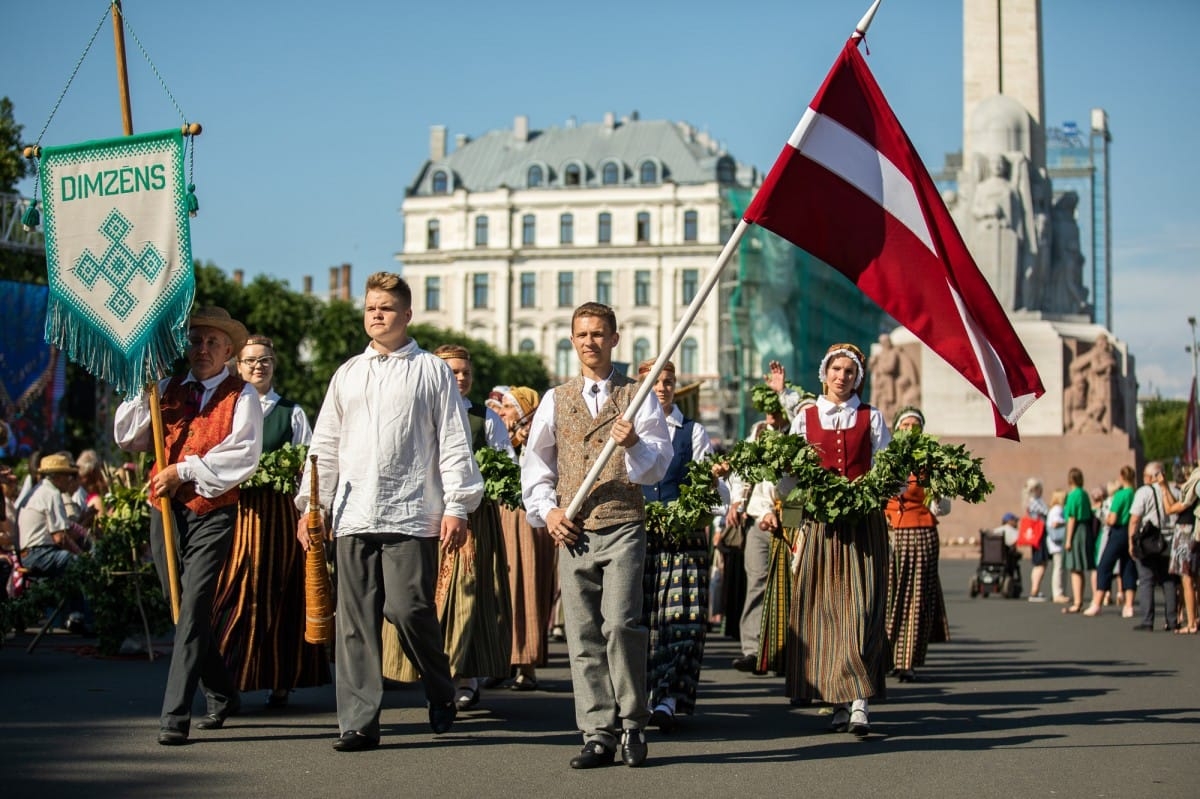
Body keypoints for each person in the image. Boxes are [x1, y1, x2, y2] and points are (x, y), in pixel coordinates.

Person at [295, 272, 483, 752]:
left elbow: (454, 441)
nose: (375, 314)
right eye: (370, 307)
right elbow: (326, 446)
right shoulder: (348, 373)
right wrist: (312, 506)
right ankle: (359, 722)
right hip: (353, 511)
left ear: (407, 315)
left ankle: (439, 687)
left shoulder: (431, 371)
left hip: (411, 509)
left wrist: (458, 505)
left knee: (408, 608)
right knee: (354, 620)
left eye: (385, 307)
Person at [521, 302, 671, 769]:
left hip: (623, 522)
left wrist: (632, 444)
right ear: (573, 341)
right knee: (583, 633)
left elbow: (658, 464)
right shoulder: (555, 398)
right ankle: (597, 732)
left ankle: (631, 722)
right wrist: (548, 512)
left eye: (599, 334)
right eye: (582, 334)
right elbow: (537, 464)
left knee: (621, 623)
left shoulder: (637, 394)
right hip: (574, 530)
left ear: (614, 339)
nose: (590, 342)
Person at [114, 306, 264, 746]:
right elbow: (129, 437)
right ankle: (221, 690)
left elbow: (243, 456)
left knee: (195, 604)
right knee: (178, 605)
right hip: (164, 511)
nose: (202, 349)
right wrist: (143, 391)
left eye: (212, 342)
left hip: (213, 510)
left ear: (228, 351)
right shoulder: (165, 388)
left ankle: (174, 715)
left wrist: (184, 470)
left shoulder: (243, 395)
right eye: (196, 341)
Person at [382, 344, 513, 711]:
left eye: (464, 372)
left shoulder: (485, 419)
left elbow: (506, 464)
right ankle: (429, 671)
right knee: (420, 597)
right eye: (452, 371)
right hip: (422, 516)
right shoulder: (417, 409)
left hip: (472, 519)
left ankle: (466, 675)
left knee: (467, 595)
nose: (459, 378)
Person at [212, 334, 328, 710]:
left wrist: (309, 512)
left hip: (278, 513)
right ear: (238, 366)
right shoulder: (226, 407)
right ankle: (229, 677)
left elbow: (307, 463)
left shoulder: (290, 412)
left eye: (265, 361)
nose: (258, 367)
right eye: (250, 361)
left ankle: (281, 678)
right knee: (233, 589)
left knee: (278, 591)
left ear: (274, 366)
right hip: (237, 507)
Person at [784, 342, 891, 737]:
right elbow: (790, 477)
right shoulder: (806, 417)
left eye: (849, 371)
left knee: (863, 607)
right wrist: (791, 520)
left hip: (863, 525)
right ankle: (838, 699)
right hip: (821, 524)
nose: (842, 377)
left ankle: (860, 700)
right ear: (825, 373)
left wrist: (872, 493)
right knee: (827, 611)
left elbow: (888, 471)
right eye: (836, 369)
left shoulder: (872, 417)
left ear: (857, 377)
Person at [638, 358, 717, 732]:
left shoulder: (692, 432)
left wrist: (712, 487)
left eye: (667, 381)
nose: (661, 388)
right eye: (653, 382)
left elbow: (710, 489)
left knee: (683, 617)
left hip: (684, 537)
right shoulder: (626, 430)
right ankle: (640, 693)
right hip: (638, 533)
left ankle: (668, 697)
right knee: (641, 617)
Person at [726, 361, 794, 673]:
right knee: (756, 583)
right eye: (766, 405)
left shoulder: (798, 431)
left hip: (792, 517)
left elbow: (800, 485)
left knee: (791, 584)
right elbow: (743, 472)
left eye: (775, 404)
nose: (770, 413)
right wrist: (737, 503)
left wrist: (783, 515)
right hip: (759, 519)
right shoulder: (758, 432)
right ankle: (752, 649)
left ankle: (788, 650)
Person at [494, 385, 556, 691]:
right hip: (504, 518)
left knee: (528, 587)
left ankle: (527, 663)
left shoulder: (536, 437)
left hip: (530, 520)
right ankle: (502, 659)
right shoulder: (502, 438)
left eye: (508, 407)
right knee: (502, 589)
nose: (503, 412)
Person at [883, 406, 949, 683]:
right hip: (890, 532)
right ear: (897, 429)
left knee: (915, 598)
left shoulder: (929, 462)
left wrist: (938, 491)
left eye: (915, 425)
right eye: (905, 425)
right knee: (887, 597)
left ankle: (907, 660)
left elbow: (942, 508)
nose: (910, 430)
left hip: (921, 531)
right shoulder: (885, 458)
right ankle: (884, 656)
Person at [15, 452, 88, 577]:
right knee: (76, 563)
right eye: (68, 476)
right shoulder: (52, 493)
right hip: (39, 554)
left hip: (26, 555)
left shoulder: (38, 490)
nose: (70, 481)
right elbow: (60, 538)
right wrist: (81, 555)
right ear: (57, 477)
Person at [1128, 461, 1179, 631]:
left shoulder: (1144, 492)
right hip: (1170, 540)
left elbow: (1135, 519)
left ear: (1150, 477)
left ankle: (1147, 620)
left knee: (1146, 580)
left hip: (1148, 542)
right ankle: (1172, 620)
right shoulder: (1174, 490)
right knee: (1169, 581)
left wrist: (1131, 542)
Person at [1084, 466, 1137, 618]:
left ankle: (1097, 602)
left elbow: (1112, 518)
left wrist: (1106, 518)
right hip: (1131, 531)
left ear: (1122, 476)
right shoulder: (1134, 493)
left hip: (1119, 531)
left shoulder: (1120, 495)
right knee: (1128, 567)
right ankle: (1129, 605)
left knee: (1104, 566)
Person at [1158, 465, 1199, 634]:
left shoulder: (1193, 489)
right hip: (1191, 531)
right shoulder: (1192, 489)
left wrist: (1163, 487)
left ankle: (1191, 623)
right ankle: (1194, 619)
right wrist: (1165, 488)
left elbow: (1170, 509)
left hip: (1185, 532)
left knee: (1187, 578)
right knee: (1193, 577)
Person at [1061, 468, 1094, 614]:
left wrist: (1068, 539)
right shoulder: (1084, 494)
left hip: (1076, 532)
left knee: (1075, 568)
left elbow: (1072, 518)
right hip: (1085, 530)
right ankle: (1079, 600)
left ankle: (1077, 601)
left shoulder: (1073, 495)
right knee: (1080, 567)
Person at [1023, 478, 1051, 601]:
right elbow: (1046, 512)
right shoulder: (1035, 501)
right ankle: (1034, 591)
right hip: (1040, 534)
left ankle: (1035, 590)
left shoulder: (1031, 501)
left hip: (1037, 534)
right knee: (1040, 563)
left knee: (1039, 563)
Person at [1045, 489, 1069, 602]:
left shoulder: (1054, 509)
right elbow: (1055, 523)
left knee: (1060, 568)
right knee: (1059, 568)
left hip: (1055, 543)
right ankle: (1058, 593)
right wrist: (1067, 522)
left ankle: (1060, 592)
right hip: (1057, 543)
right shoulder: (1057, 509)